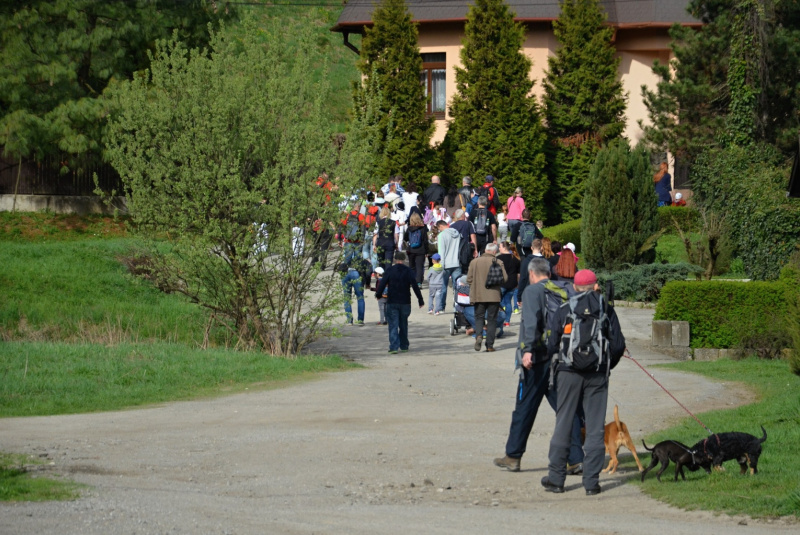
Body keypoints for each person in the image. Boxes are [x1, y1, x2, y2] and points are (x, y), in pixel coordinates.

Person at [494, 258, 586, 474]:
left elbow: (530, 322)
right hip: (562, 359)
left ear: (532, 273)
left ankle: (513, 456)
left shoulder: (532, 291)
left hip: (536, 360)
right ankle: (576, 459)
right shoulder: (565, 289)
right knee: (566, 409)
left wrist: (526, 351)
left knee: (524, 409)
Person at [541, 269, 626, 495]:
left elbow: (550, 344)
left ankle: (556, 479)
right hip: (597, 374)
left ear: (575, 287)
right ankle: (591, 483)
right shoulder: (606, 310)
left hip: (568, 372)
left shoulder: (564, 309)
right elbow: (618, 346)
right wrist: (606, 366)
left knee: (564, 423)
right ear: (596, 286)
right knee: (596, 427)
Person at [374, 251, 424, 354]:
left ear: (395, 260)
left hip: (392, 300)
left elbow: (382, 283)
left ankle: (393, 347)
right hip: (405, 301)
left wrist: (378, 295)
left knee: (393, 324)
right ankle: (404, 345)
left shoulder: (390, 270)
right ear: (404, 259)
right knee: (403, 324)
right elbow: (415, 286)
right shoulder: (408, 271)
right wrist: (420, 300)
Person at [467, 242, 507, 352]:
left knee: (479, 317)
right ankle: (489, 345)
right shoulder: (499, 262)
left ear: (485, 250)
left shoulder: (474, 262)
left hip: (478, 295)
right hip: (494, 296)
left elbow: (469, 279)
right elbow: (505, 278)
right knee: (492, 320)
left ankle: (479, 335)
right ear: (494, 252)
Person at [436, 219, 462, 313]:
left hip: (446, 264)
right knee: (457, 287)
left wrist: (440, 266)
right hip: (457, 262)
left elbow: (441, 252)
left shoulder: (442, 235)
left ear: (440, 227)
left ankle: (441, 307)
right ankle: (457, 306)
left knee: (443, 287)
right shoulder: (457, 234)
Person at [497, 241, 520, 327]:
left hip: (502, 283)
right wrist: (517, 283)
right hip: (512, 283)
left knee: (498, 301)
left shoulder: (498, 258)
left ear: (504, 248)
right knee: (508, 302)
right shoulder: (515, 258)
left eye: (500, 247)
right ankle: (507, 321)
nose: (499, 248)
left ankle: (500, 319)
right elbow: (518, 273)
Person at [338, 261, 365, 326]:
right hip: (355, 272)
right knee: (360, 298)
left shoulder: (345, 252)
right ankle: (360, 320)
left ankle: (349, 320)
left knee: (347, 298)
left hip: (344, 271)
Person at [405, 212, 429, 284]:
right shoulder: (423, 227)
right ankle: (418, 282)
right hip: (421, 250)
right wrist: (426, 251)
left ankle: (412, 281)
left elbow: (405, 238)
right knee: (420, 266)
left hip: (411, 250)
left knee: (412, 266)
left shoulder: (409, 228)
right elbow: (425, 240)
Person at [373, 204, 395, 271]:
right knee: (388, 262)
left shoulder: (378, 222)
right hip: (390, 242)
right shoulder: (393, 222)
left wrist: (374, 245)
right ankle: (388, 278)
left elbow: (375, 234)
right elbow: (396, 235)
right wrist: (396, 243)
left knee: (381, 262)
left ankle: (381, 278)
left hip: (380, 243)